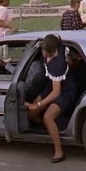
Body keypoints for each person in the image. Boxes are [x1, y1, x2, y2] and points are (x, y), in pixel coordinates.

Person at [25, 34, 69, 163]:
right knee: (31, 114)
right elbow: (57, 36)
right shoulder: (56, 44)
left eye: (44, 50)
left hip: (65, 89)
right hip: (52, 85)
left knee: (47, 116)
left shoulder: (57, 65)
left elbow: (56, 93)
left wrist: (37, 105)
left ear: (50, 51)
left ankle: (59, 151)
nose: (42, 52)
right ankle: (52, 129)